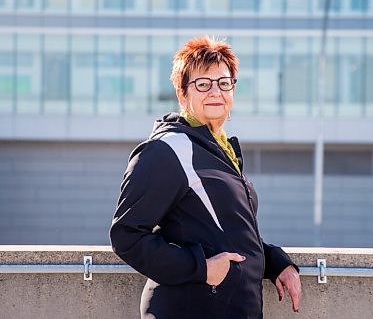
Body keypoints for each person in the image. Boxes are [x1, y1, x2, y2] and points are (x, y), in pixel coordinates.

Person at [109, 36, 301, 319]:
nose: (215, 92)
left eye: (224, 83)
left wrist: (275, 262)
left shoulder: (221, 150)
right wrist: (200, 268)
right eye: (203, 84)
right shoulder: (167, 149)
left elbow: (223, 233)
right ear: (182, 93)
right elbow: (126, 235)